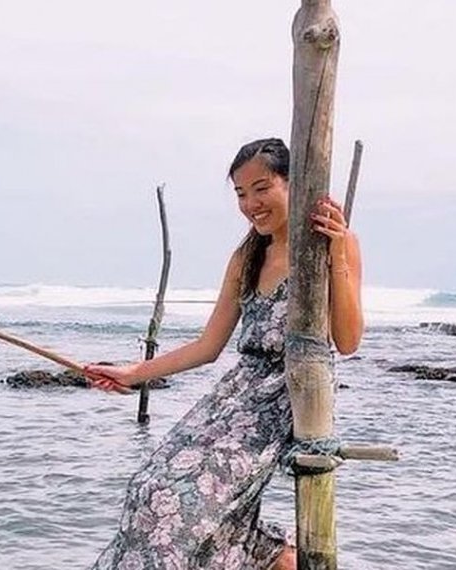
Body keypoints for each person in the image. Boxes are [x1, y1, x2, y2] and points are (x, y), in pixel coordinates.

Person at [84, 138, 363, 570]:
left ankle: (267, 556)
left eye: (262, 187)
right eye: (240, 193)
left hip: (285, 398)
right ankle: (271, 558)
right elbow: (208, 346)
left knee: (175, 502)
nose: (251, 203)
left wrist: (339, 254)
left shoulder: (332, 246)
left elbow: (347, 341)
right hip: (234, 396)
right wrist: (133, 373)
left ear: (294, 184)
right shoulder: (247, 255)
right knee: (148, 485)